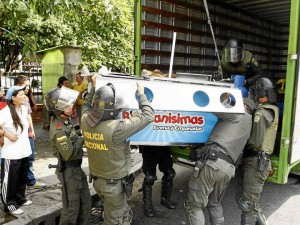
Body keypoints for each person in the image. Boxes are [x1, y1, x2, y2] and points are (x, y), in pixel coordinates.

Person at [81, 75, 155, 225]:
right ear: (111, 111)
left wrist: (94, 87)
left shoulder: (85, 121)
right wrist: (141, 94)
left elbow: (85, 106)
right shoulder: (116, 129)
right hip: (113, 187)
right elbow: (148, 116)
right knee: (115, 220)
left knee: (114, 213)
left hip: (98, 182)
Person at [185, 97, 256, 225]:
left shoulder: (238, 114)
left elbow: (213, 107)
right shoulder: (249, 126)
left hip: (213, 163)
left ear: (243, 106)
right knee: (214, 203)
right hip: (228, 169)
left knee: (194, 205)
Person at [44, 86, 91, 225]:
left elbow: (73, 135)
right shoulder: (59, 129)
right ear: (59, 109)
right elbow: (69, 154)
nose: (72, 105)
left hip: (76, 170)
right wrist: (84, 137)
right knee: (71, 209)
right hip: (69, 172)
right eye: (68, 104)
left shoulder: (65, 121)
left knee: (85, 203)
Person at [238, 77, 279, 225]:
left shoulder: (262, 112)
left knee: (247, 204)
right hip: (261, 161)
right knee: (251, 201)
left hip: (256, 161)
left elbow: (255, 140)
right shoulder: (273, 109)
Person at [0, 86, 33, 215]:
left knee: (21, 177)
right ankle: (9, 204)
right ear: (13, 98)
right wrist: (6, 135)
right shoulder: (5, 112)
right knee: (10, 181)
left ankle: (20, 198)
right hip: (11, 153)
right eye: (21, 94)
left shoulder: (24, 109)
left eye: (24, 94)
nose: (24, 96)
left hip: (24, 150)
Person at [14, 75, 47, 189]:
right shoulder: (10, 100)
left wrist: (32, 130)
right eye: (25, 85)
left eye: (28, 85)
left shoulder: (26, 99)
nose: (28, 88)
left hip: (27, 133)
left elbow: (28, 116)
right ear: (18, 85)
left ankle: (30, 181)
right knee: (18, 159)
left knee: (30, 157)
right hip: (16, 134)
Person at [140, 146, 176, 217]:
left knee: (170, 174)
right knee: (149, 178)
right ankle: (147, 205)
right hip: (150, 147)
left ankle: (165, 199)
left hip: (164, 147)